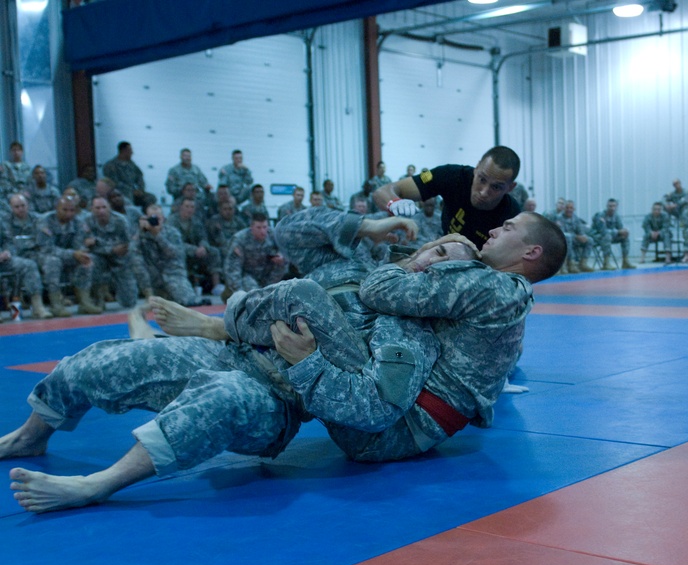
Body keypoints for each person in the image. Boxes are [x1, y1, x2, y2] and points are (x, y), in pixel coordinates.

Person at [4, 211, 566, 513]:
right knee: (104, 363)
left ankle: (100, 483)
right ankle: (31, 433)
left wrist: (305, 364)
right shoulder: (366, 268)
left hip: (280, 391)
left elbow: (374, 407)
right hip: (237, 348)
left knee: (222, 401)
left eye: (454, 262)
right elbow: (289, 228)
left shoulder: (412, 326)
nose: (442, 262)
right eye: (440, 249)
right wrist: (364, 224)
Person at [372, 146, 521, 250]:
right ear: (476, 168)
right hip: (443, 251)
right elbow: (383, 191)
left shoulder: (512, 217)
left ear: (510, 188)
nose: (483, 192)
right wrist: (394, 203)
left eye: (496, 187)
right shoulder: (450, 175)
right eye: (482, 179)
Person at [36, 197, 103, 315]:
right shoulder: (45, 221)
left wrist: (81, 253)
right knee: (53, 262)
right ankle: (56, 304)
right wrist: (73, 254)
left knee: (87, 259)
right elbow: (47, 248)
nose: (69, 213)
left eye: (72, 210)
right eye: (65, 210)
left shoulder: (78, 222)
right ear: (57, 209)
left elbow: (79, 244)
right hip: (44, 255)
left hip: (69, 254)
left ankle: (85, 302)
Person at [133, 203, 201, 306]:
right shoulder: (141, 235)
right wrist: (140, 232)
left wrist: (157, 235)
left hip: (172, 274)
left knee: (187, 301)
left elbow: (174, 254)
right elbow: (133, 254)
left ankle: (168, 295)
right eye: (152, 218)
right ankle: (149, 293)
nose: (155, 221)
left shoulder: (173, 232)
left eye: (158, 218)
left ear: (163, 218)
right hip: (152, 278)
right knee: (136, 262)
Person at [0, 196, 51, 319]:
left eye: (23, 206)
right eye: (17, 207)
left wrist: (6, 252)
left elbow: (6, 240)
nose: (21, 209)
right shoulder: (8, 219)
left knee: (28, 265)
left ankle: (38, 306)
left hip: (2, 259)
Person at [84, 196, 138, 310]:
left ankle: (118, 291)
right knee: (90, 260)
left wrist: (101, 246)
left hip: (120, 260)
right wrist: (111, 249)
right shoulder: (87, 221)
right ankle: (98, 297)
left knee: (129, 302)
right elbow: (86, 245)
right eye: (97, 208)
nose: (101, 211)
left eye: (104, 207)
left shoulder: (121, 221)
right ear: (92, 209)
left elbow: (129, 245)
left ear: (109, 208)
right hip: (99, 258)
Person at [167, 197, 223, 295]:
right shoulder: (172, 221)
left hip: (197, 252)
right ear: (181, 207)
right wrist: (194, 249)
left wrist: (203, 247)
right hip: (178, 253)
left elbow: (203, 237)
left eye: (192, 207)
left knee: (214, 252)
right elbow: (174, 243)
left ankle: (216, 286)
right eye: (187, 206)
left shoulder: (196, 221)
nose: (190, 209)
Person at [223, 212, 287, 294]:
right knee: (254, 293)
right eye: (258, 228)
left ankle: (269, 290)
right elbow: (233, 268)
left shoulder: (273, 235)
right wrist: (238, 292)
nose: (263, 231)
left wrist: (281, 256)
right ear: (251, 227)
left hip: (267, 275)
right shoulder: (240, 239)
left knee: (282, 262)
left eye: (265, 227)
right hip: (247, 276)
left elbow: (286, 250)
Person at [590, 198, 635, 269]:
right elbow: (603, 231)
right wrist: (618, 231)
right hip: (597, 237)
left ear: (616, 207)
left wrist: (624, 232)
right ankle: (606, 263)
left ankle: (625, 261)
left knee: (625, 238)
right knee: (607, 237)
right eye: (610, 206)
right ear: (607, 206)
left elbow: (620, 228)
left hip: (610, 236)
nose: (612, 208)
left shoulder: (616, 216)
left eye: (614, 206)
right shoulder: (600, 216)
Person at [556, 200, 592, 272]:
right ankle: (570, 264)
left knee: (590, 240)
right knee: (568, 238)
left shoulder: (575, 218)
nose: (569, 210)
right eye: (567, 208)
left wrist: (583, 236)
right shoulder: (559, 218)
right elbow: (562, 233)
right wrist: (576, 236)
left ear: (574, 209)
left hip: (574, 239)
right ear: (564, 208)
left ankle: (583, 264)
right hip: (562, 241)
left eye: (571, 208)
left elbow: (580, 230)